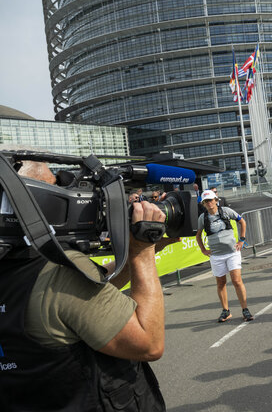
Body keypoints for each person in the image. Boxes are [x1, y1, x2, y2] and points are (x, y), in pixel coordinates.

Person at [0, 156, 172, 411]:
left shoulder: (20, 267)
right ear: (30, 199)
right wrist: (143, 253)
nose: (65, 190)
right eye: (54, 182)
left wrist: (143, 248)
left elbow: (92, 295)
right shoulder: (61, 270)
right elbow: (148, 344)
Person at [195, 189, 253, 323]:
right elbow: (198, 235)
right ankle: (225, 311)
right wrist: (203, 250)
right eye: (206, 201)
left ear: (216, 200)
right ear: (203, 204)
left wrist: (242, 240)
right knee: (220, 283)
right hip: (216, 256)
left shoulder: (226, 211)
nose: (209, 203)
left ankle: (245, 310)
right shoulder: (202, 218)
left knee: (237, 281)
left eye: (210, 200)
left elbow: (242, 221)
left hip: (232, 253)